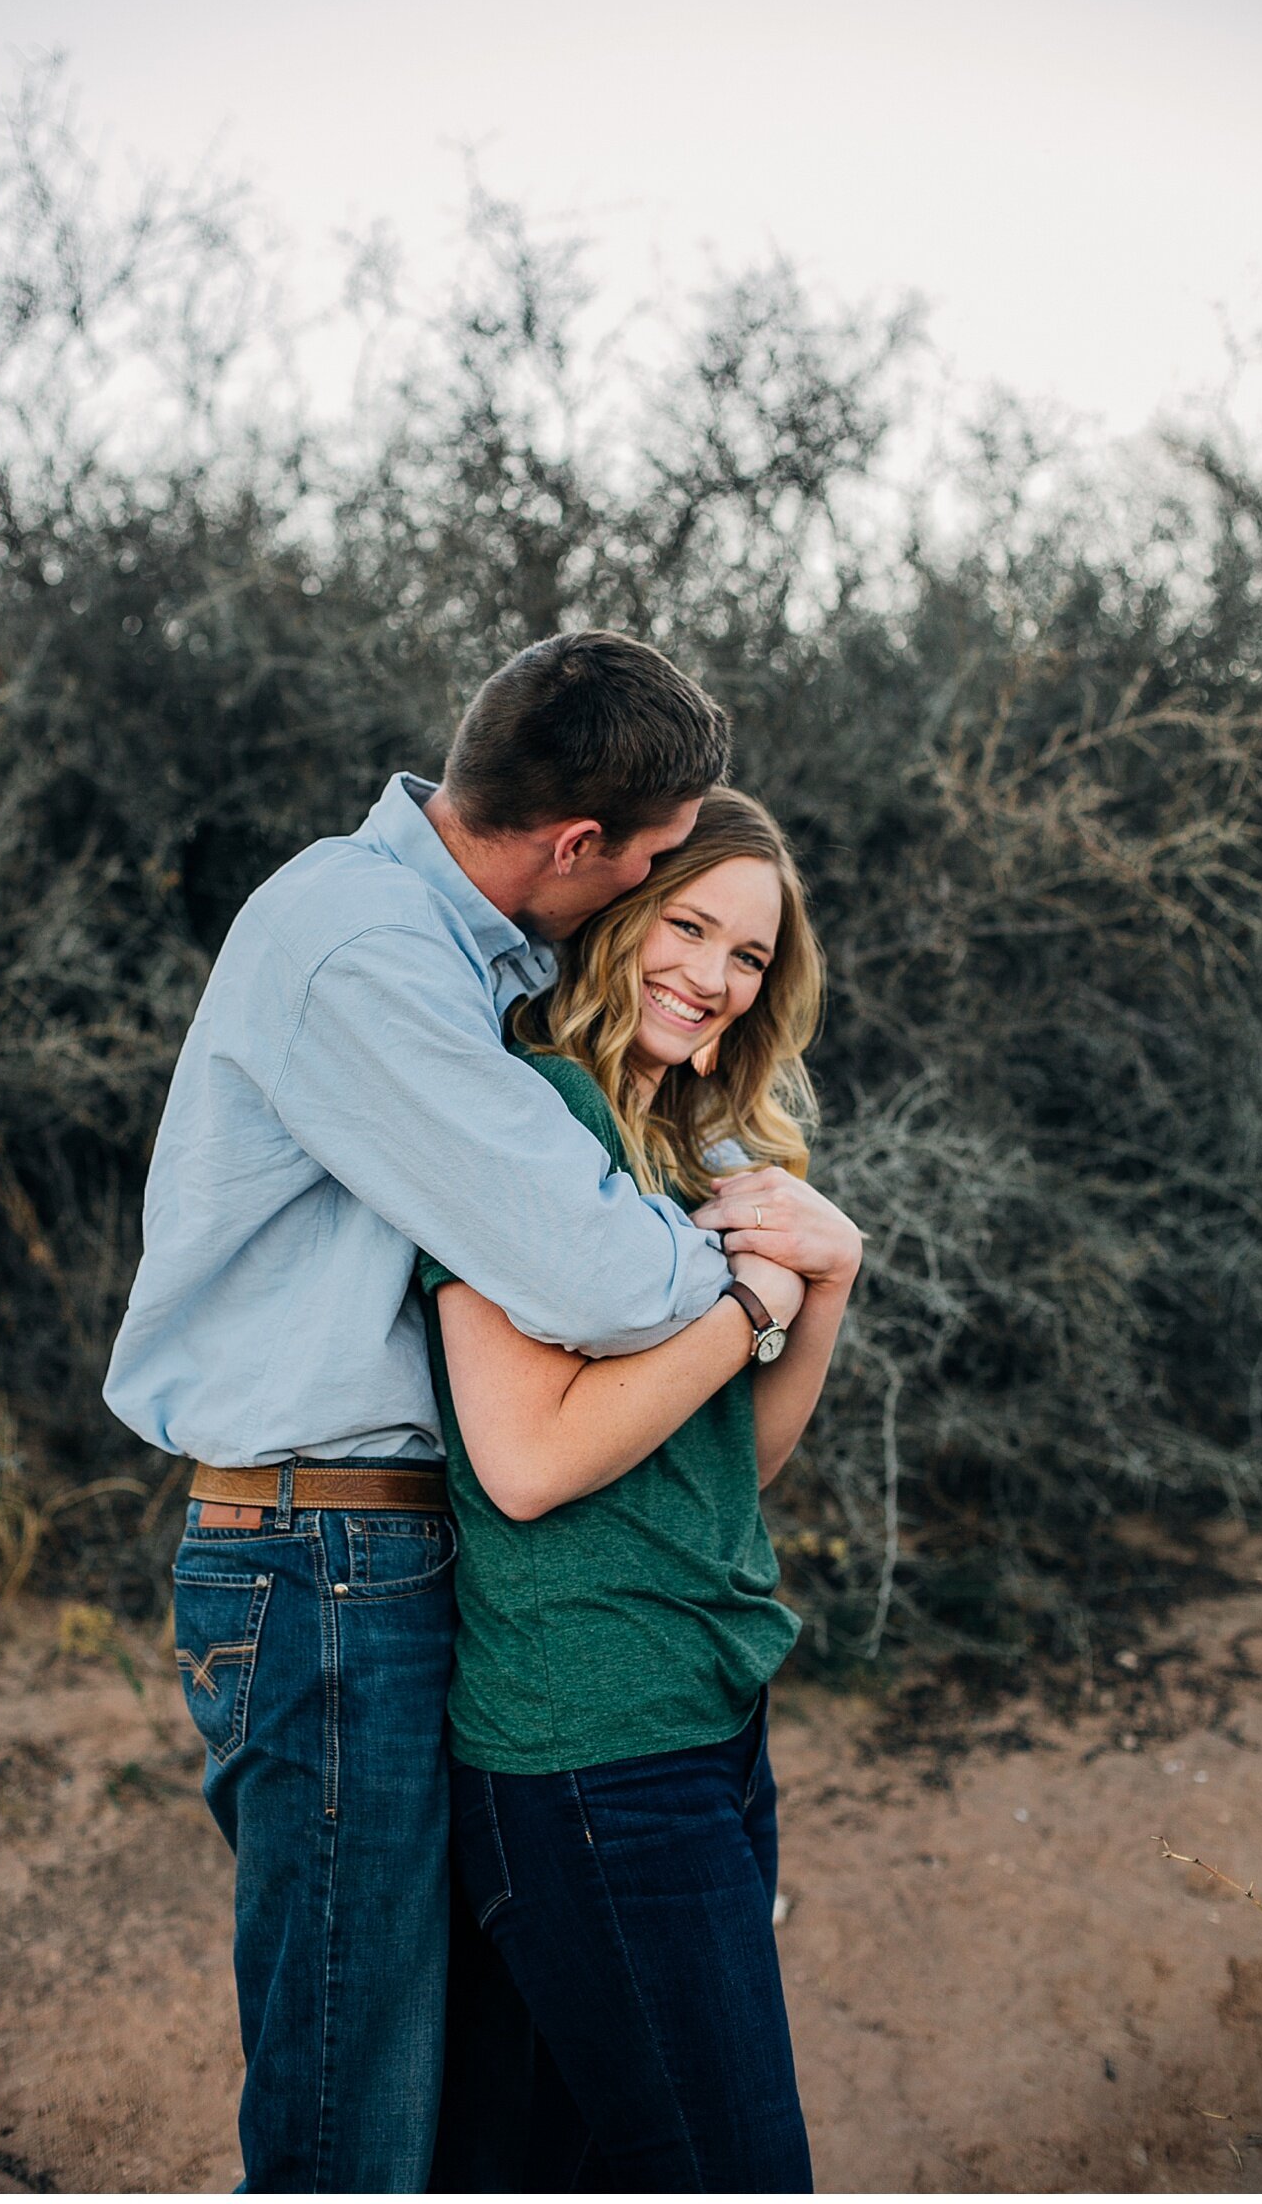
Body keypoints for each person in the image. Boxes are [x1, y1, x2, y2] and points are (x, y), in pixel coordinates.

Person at [103, 631, 757, 2193]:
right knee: (351, 2103)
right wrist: (752, 1281)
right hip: (322, 1568)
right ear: (574, 844)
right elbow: (597, 1274)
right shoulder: (365, 951)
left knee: (439, 2082)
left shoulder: (444, 953)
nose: (645, 897)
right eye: (654, 866)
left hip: (373, 1559)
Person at [418, 789, 863, 2193]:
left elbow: (746, 1464)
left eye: (748, 955)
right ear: (615, 918)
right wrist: (747, 1305)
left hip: (713, 1713)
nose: (715, 976)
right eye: (688, 924)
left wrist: (828, 1282)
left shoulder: (699, 1144)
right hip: (587, 1743)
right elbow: (529, 1460)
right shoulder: (526, 1118)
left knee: (570, 2166)